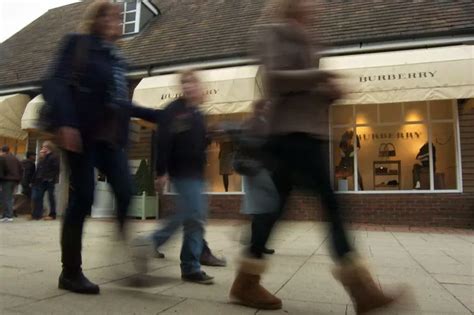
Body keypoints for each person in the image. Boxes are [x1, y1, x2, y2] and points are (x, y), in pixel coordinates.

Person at [229, 0, 405, 312]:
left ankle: (246, 282)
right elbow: (274, 79)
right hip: (291, 137)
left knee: (275, 210)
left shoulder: (307, 36)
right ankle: (361, 290)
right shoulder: (275, 32)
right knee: (332, 204)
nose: (316, 5)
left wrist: (328, 93)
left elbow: (302, 87)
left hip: (306, 134)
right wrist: (320, 78)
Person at [47, 0, 158, 294]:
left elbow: (122, 103)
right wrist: (67, 122)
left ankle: (122, 251)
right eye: (109, 14)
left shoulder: (117, 60)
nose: (117, 19)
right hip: (80, 133)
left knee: (126, 191)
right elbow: (55, 83)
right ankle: (70, 272)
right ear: (95, 19)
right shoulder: (78, 44)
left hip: (110, 138)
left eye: (120, 16)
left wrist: (157, 115)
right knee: (83, 197)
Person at [134, 70, 214, 285]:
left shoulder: (197, 113)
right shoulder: (174, 111)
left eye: (192, 83)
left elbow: (196, 142)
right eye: (184, 83)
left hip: (197, 174)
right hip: (182, 173)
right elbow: (163, 142)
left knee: (194, 219)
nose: (188, 86)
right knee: (192, 215)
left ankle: (190, 267)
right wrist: (161, 172)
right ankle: (151, 243)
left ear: (198, 87)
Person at [238, 99, 276, 255]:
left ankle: (257, 242)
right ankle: (257, 243)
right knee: (263, 209)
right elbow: (249, 145)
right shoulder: (253, 123)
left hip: (260, 170)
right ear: (260, 109)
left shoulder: (263, 122)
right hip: (255, 171)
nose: (269, 109)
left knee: (260, 210)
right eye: (267, 106)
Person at [31, 141, 60, 220]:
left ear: (49, 148)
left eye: (44, 147)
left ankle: (52, 214)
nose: (43, 148)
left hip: (49, 180)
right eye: (43, 147)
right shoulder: (43, 157)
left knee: (51, 197)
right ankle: (37, 215)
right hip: (41, 180)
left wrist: (51, 178)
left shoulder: (54, 156)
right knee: (38, 197)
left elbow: (56, 169)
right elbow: (39, 169)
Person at [0, 145, 23, 222]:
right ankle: (6, 215)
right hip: (15, 181)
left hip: (6, 180)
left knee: (6, 198)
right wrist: (19, 179)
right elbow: (21, 169)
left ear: (2, 151)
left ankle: (8, 216)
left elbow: (1, 171)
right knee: (9, 198)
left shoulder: (3, 158)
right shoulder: (16, 159)